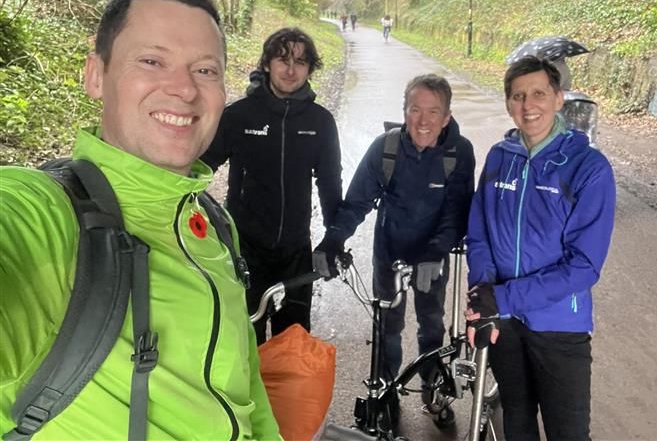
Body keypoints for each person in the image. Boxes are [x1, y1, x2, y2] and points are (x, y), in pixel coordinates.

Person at [0, 0, 281, 439]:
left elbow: (245, 389)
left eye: (205, 70)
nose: (185, 89)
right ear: (95, 75)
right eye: (152, 61)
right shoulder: (46, 217)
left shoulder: (214, 224)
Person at [465, 55, 616, 440]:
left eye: (538, 94)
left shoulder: (588, 168)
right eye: (517, 96)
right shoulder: (501, 157)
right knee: (516, 419)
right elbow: (480, 231)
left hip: (559, 325)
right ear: (507, 103)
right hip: (504, 322)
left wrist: (503, 297)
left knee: (568, 432)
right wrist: (483, 296)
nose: (528, 105)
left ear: (559, 98)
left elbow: (584, 265)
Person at [313, 74, 475, 403]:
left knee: (432, 322)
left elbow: (457, 212)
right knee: (387, 324)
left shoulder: (458, 153)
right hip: (389, 250)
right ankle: (387, 389)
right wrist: (332, 240)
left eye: (433, 112)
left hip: (432, 255)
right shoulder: (385, 149)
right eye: (415, 110)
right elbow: (357, 202)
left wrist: (437, 250)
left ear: (446, 117)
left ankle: (432, 385)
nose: (423, 120)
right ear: (404, 111)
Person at [202, 27, 342, 344]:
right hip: (244, 252)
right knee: (244, 346)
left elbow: (330, 183)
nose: (291, 70)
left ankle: (282, 397)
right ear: (266, 64)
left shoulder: (320, 122)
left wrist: (333, 240)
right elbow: (200, 168)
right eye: (282, 60)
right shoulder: (238, 116)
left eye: (300, 62)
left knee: (292, 350)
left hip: (295, 254)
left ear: (310, 68)